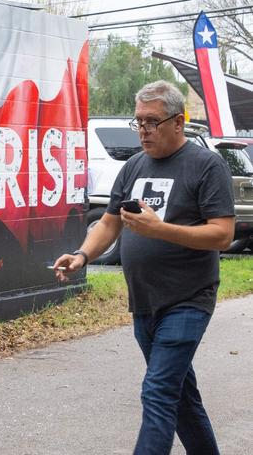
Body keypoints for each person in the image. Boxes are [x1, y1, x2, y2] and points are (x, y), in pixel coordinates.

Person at [54, 80, 234, 455]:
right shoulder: (133, 166)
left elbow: (221, 234)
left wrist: (160, 229)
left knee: (157, 393)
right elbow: (108, 222)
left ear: (178, 122)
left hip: (188, 300)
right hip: (144, 303)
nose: (143, 130)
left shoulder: (206, 166)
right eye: (138, 122)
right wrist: (83, 255)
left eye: (152, 122)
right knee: (180, 398)